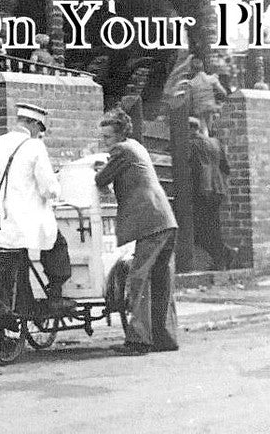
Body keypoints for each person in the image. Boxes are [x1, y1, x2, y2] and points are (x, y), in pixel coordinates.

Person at [94, 108, 179, 355]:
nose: (105, 142)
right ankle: (164, 339)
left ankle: (139, 341)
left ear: (119, 135)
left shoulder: (122, 150)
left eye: (108, 137)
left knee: (139, 279)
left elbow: (101, 180)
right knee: (161, 281)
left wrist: (98, 170)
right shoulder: (135, 146)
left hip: (151, 223)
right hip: (165, 219)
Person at [0, 102, 73, 316]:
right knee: (57, 245)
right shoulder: (34, 146)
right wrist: (57, 187)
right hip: (30, 219)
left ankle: (23, 304)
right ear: (32, 123)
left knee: (15, 260)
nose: (39, 134)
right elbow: (49, 189)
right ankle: (55, 296)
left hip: (3, 220)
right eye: (39, 128)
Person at [189, 115, 237, 271]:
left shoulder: (191, 144)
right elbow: (226, 168)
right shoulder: (215, 143)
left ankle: (223, 255)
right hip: (218, 190)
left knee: (199, 230)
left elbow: (192, 168)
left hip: (201, 191)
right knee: (213, 226)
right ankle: (222, 258)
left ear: (189, 129)